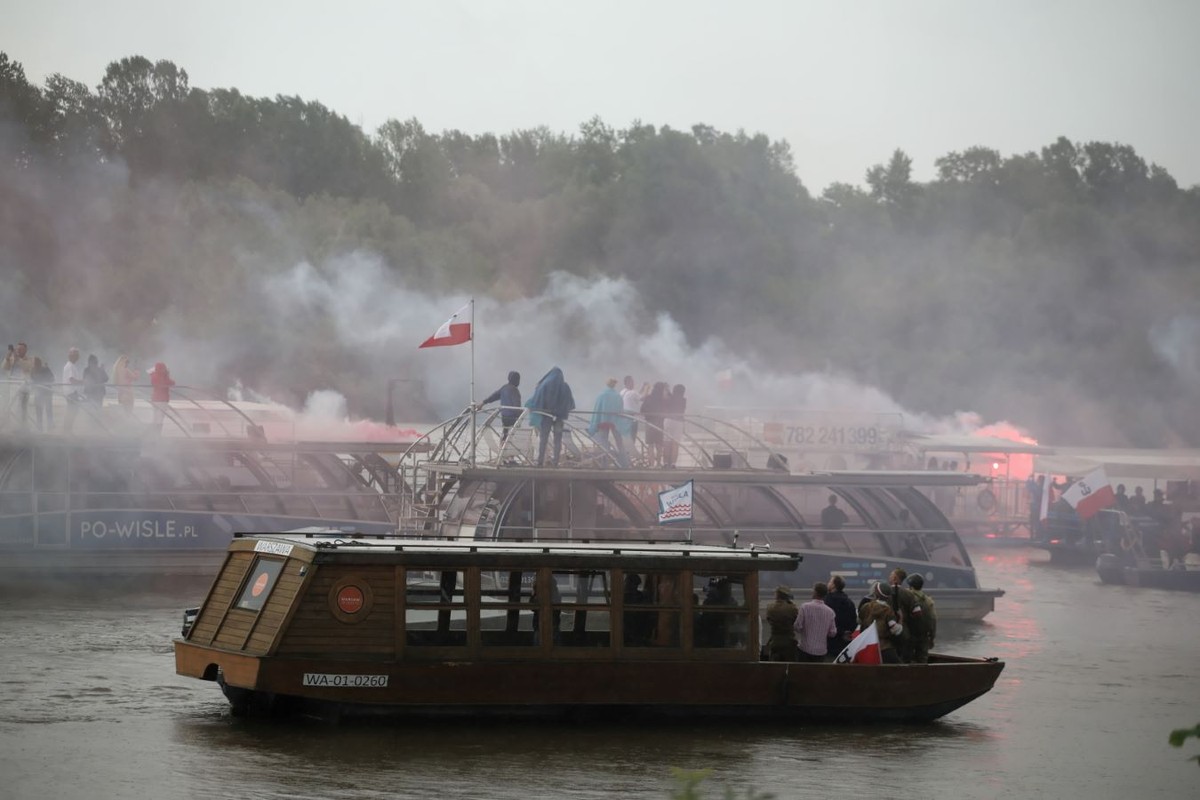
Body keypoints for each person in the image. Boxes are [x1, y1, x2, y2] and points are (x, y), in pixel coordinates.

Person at [524, 367, 574, 467]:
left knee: (543, 439)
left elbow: (537, 400)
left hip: (546, 416)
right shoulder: (565, 387)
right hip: (559, 417)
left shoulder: (545, 385)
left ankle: (540, 462)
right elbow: (570, 403)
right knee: (557, 440)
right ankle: (556, 462)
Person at [858, 583, 904, 664]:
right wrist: (900, 620)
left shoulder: (866, 607)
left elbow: (859, 621)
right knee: (900, 669)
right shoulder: (888, 611)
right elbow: (895, 630)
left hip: (867, 646)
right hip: (884, 647)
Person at [587, 378, 629, 467]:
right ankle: (624, 463)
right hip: (615, 422)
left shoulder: (601, 395)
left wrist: (596, 422)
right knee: (619, 442)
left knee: (603, 441)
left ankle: (604, 463)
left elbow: (597, 409)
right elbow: (620, 410)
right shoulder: (618, 396)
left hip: (603, 421)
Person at [794, 582, 837, 662]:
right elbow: (833, 633)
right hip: (821, 651)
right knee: (817, 674)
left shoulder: (805, 607)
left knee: (802, 673)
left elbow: (797, 626)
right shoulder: (830, 612)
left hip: (805, 649)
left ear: (815, 592)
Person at [478, 370, 521, 444]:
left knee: (505, 433)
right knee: (514, 435)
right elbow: (516, 407)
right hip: (513, 418)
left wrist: (483, 403)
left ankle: (502, 445)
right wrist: (521, 414)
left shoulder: (504, 388)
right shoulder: (515, 390)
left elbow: (493, 396)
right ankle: (509, 451)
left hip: (504, 417)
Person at [824, 574, 858, 658]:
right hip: (844, 642)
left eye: (830, 582)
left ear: (833, 585)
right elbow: (854, 621)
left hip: (829, 642)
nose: (828, 584)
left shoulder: (827, 601)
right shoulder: (849, 602)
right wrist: (846, 632)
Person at [906, 573, 938, 663]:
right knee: (922, 662)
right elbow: (933, 619)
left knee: (907, 661)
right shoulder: (928, 600)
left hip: (909, 636)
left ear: (910, 586)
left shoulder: (907, 597)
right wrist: (932, 638)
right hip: (924, 637)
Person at [764, 585, 799, 661]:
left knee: (774, 668)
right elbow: (795, 621)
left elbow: (769, 620)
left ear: (777, 595)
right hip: (789, 642)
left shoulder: (770, 608)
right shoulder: (792, 608)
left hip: (775, 641)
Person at [4, 342, 33, 426]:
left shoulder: (29, 359)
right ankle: (14, 426)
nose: (18, 351)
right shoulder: (12, 358)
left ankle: (22, 426)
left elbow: (27, 366)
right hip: (12, 386)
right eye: (17, 349)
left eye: (20, 349)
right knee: (13, 407)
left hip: (24, 387)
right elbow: (4, 368)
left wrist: (18, 360)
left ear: (25, 350)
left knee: (22, 408)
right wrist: (7, 357)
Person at [640, 382, 669, 467]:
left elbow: (642, 410)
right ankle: (659, 464)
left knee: (650, 445)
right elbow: (667, 411)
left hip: (649, 423)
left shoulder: (648, 397)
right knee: (659, 445)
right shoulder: (663, 400)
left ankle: (651, 465)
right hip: (660, 423)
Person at [623, 573, 652, 646]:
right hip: (625, 633)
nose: (627, 585)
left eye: (630, 583)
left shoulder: (641, 597)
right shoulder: (622, 597)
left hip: (638, 632)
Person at [662, 384, 687, 468]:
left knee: (666, 443)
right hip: (679, 422)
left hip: (668, 420)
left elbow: (666, 400)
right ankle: (673, 464)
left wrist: (667, 390)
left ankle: (665, 463)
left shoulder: (670, 398)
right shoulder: (683, 400)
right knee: (675, 444)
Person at [61, 347, 84, 432]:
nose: (77, 357)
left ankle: (67, 429)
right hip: (70, 392)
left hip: (71, 392)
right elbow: (71, 380)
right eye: (76, 355)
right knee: (72, 410)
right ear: (72, 356)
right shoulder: (70, 366)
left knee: (73, 410)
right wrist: (82, 381)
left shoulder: (71, 365)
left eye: (77, 355)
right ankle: (67, 429)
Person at [149, 362, 175, 433]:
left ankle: (153, 433)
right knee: (160, 417)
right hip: (162, 399)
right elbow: (171, 383)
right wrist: (167, 374)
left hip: (155, 399)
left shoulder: (153, 375)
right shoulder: (163, 376)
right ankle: (157, 433)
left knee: (155, 417)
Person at [29, 356, 54, 431]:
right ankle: (40, 427)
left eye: (35, 362)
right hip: (38, 393)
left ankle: (50, 427)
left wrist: (45, 382)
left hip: (47, 392)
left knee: (48, 410)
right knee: (39, 410)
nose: (34, 364)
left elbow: (52, 378)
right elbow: (32, 379)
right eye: (33, 362)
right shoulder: (32, 370)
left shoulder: (45, 369)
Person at [620, 375, 641, 446]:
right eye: (632, 382)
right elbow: (641, 398)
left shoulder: (622, 392)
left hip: (623, 418)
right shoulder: (633, 392)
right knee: (632, 436)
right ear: (628, 383)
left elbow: (637, 395)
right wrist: (647, 389)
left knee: (625, 436)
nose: (633, 384)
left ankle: (625, 453)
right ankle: (630, 452)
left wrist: (643, 388)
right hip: (632, 418)